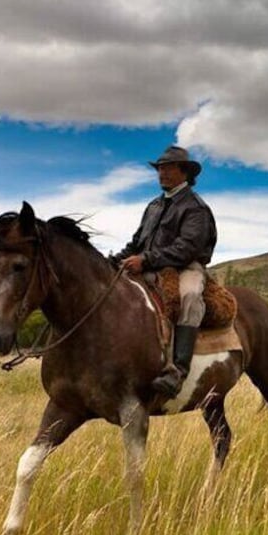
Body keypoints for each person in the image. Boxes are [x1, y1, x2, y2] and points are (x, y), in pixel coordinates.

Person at [112, 145, 217, 397]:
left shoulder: (196, 207)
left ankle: (178, 371)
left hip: (184, 267)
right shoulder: (153, 206)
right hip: (147, 264)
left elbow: (187, 248)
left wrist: (145, 260)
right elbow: (137, 241)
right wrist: (114, 261)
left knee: (190, 298)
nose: (162, 173)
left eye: (169, 168)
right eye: (160, 168)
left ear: (185, 173)